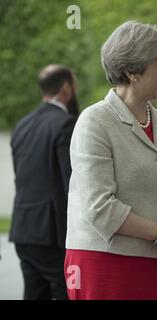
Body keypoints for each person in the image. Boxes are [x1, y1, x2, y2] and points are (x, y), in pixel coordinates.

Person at [64, 21, 157, 300]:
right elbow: (100, 208)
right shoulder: (94, 121)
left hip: (154, 261)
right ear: (132, 71)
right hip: (103, 262)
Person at [9, 64, 78, 299]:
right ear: (66, 88)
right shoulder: (65, 124)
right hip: (51, 233)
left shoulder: (22, 126)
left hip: (23, 230)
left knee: (34, 293)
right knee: (63, 291)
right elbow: (72, 183)